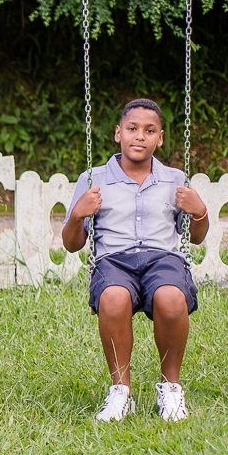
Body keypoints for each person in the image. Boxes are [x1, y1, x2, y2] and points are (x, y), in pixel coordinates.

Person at [62, 98, 209, 423]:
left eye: (149, 130)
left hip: (164, 259)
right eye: (132, 129)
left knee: (170, 299)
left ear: (160, 138)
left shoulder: (174, 178)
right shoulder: (93, 178)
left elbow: (195, 236)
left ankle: (171, 388)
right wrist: (77, 215)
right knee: (114, 298)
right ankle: (120, 391)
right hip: (113, 261)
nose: (140, 136)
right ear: (118, 133)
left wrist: (200, 211)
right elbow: (72, 245)